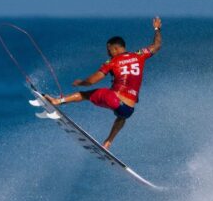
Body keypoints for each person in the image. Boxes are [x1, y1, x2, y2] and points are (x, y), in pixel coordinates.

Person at [45, 17, 162, 150]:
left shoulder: (112, 62)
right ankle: (108, 142)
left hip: (113, 99)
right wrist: (157, 28)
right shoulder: (139, 55)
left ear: (116, 49)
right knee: (121, 117)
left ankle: (57, 101)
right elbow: (157, 45)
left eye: (109, 50)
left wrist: (81, 82)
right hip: (128, 109)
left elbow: (92, 81)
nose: (108, 53)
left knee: (84, 95)